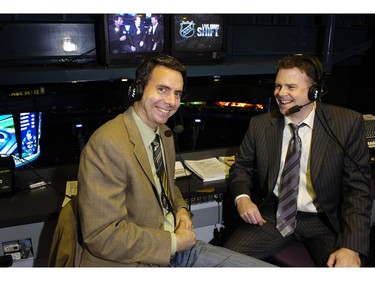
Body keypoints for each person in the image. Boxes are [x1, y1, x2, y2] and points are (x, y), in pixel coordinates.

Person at [75, 54, 273, 267]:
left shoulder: (164, 134)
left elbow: (168, 187)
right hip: (137, 260)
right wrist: (173, 242)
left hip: (178, 250)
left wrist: (181, 210)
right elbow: (101, 235)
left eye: (177, 93)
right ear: (139, 88)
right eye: (162, 89)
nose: (171, 102)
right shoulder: (107, 143)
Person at [223, 54, 373, 267]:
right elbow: (241, 167)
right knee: (222, 263)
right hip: (273, 216)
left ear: (315, 91)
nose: (281, 94)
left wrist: (351, 246)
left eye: (291, 87)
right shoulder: (260, 124)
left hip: (323, 221)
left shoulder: (346, 124)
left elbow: (358, 190)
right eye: (278, 86)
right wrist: (242, 198)